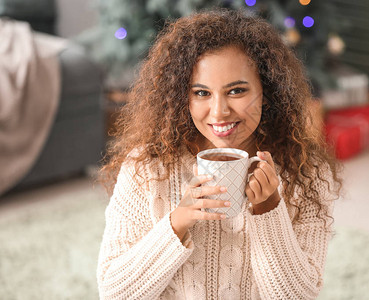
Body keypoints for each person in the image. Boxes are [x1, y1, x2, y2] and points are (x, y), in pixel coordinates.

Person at [97, 8, 342, 300]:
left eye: (236, 91)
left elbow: (298, 297)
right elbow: (114, 293)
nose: (219, 112)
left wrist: (269, 209)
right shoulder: (147, 167)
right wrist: (176, 223)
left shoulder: (306, 173)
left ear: (267, 90)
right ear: (180, 96)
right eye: (201, 93)